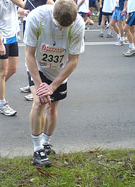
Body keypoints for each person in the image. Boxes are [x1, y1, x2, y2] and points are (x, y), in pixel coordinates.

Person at [24, 0, 85, 167]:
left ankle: (46, 143)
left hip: (59, 70)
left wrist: (53, 86)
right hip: (38, 67)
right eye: (57, 25)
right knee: (39, 102)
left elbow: (73, 60)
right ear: (53, 15)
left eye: (64, 28)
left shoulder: (79, 24)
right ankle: (37, 150)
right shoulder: (36, 17)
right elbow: (29, 54)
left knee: (53, 107)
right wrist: (40, 86)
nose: (60, 29)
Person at [0, 0, 24, 116]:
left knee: (13, 69)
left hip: (12, 36)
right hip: (2, 38)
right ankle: (2, 104)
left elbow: (23, 5)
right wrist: (0, 43)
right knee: (1, 72)